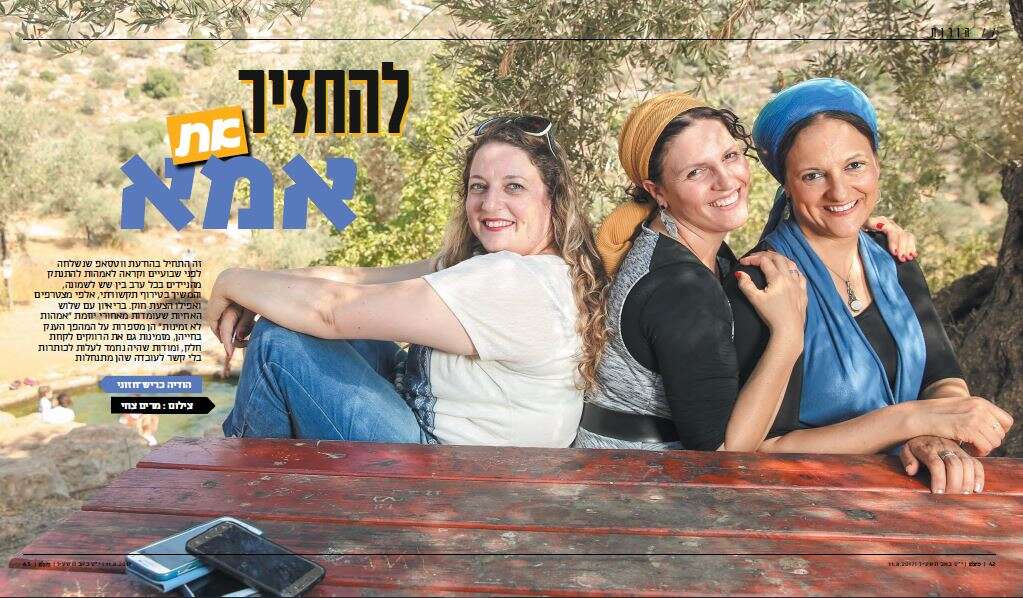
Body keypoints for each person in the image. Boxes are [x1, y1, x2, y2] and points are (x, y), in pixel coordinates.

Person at [206, 116, 607, 447]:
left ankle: (248, 495)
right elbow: (358, 281)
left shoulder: (512, 283)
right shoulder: (531, 268)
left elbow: (332, 311)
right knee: (296, 320)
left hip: (446, 478)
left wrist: (232, 280)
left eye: (513, 187)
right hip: (461, 457)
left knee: (278, 343)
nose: (490, 203)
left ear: (552, 198)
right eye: (478, 187)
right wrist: (257, 289)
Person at [575, 92, 912, 453]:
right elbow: (724, 454)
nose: (726, 181)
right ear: (657, 191)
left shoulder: (688, 248)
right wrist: (789, 333)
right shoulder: (681, 286)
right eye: (696, 172)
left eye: (730, 156)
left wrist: (852, 226)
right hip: (638, 474)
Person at [724, 78, 1014, 494]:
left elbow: (941, 376)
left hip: (907, 492)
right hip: (805, 502)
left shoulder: (893, 256)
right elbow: (765, 447)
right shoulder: (761, 283)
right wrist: (913, 420)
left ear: (877, 164)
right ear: (786, 184)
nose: (839, 191)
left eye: (854, 165)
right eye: (813, 175)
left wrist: (935, 436)